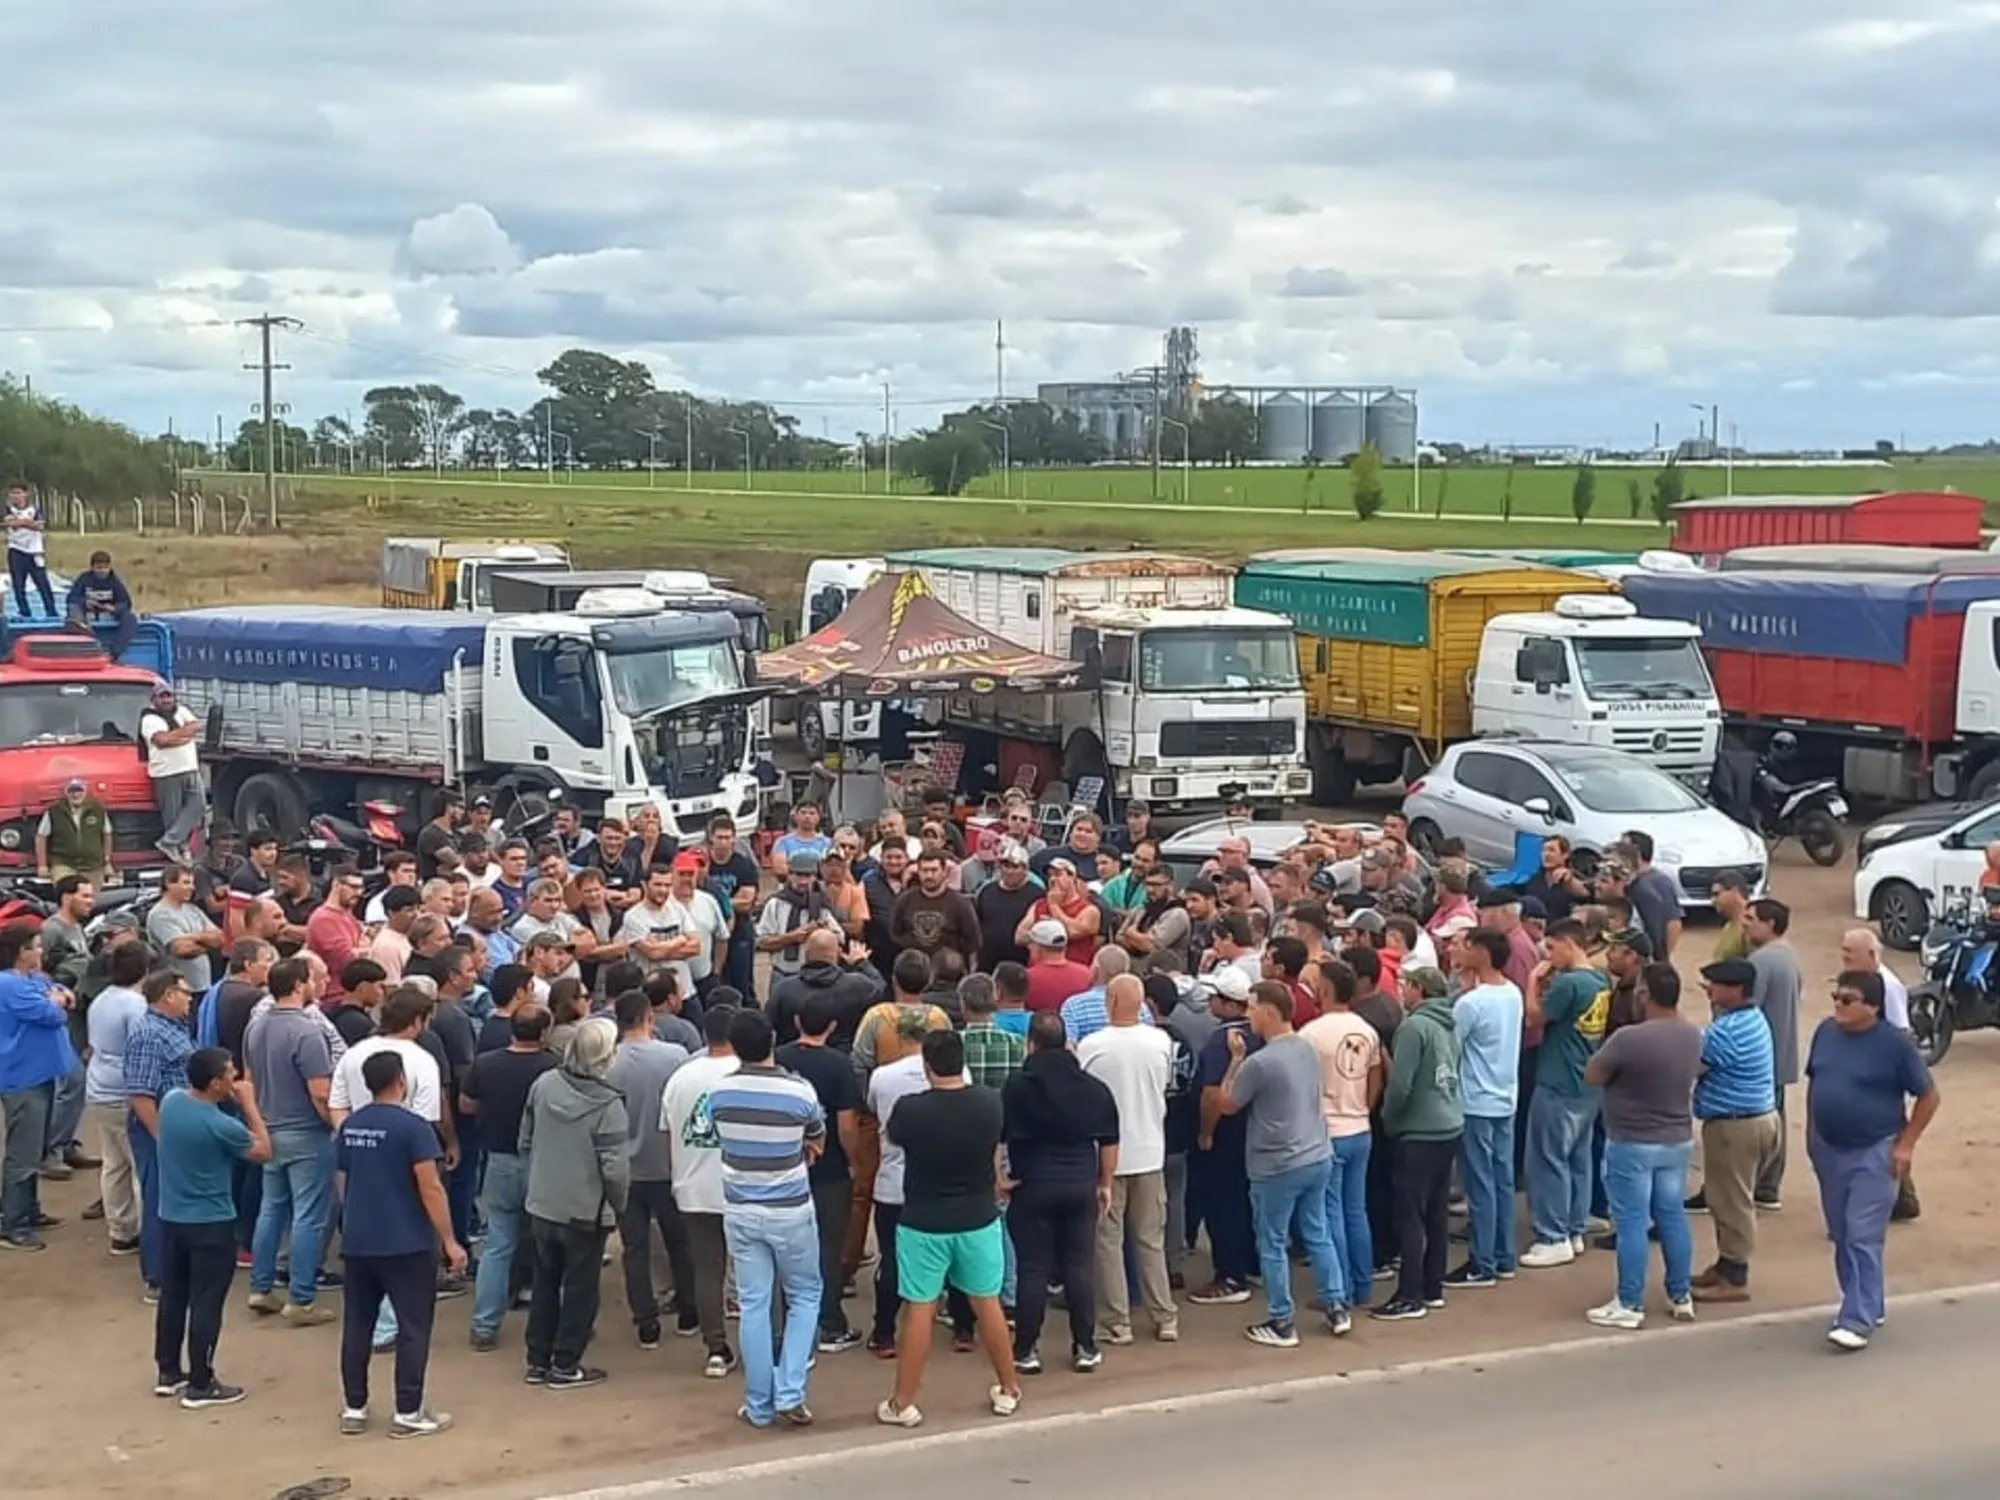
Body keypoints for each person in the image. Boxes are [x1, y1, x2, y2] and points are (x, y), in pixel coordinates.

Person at [877, 1029, 1023, 1428]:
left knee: (919, 1309)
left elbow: (893, 1137)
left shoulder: (910, 1109)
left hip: (923, 1221)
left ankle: (903, 1401)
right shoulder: (991, 1103)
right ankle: (1009, 1387)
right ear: (963, 1062)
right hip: (978, 1217)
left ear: (927, 1066)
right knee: (986, 1302)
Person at [1806, 969, 1941, 1349]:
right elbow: (1817, 1080)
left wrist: (1906, 1144)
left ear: (1873, 1007)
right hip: (1829, 1148)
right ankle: (1867, 1298)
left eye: (1847, 1000)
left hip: (1874, 1149)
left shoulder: (1895, 1045)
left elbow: (1929, 1096)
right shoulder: (1824, 1033)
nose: (1838, 1006)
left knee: (1862, 1233)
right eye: (1835, 997)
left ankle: (1856, 1317)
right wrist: (1812, 1136)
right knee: (1841, 1232)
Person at [336, 1048, 464, 1437]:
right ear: (401, 1081)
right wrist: (450, 1241)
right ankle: (408, 1411)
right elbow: (430, 1186)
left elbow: (341, 1179)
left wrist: (352, 1216)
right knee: (413, 1327)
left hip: (358, 1241)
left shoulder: (352, 1126)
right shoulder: (413, 1128)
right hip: (405, 1243)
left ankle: (354, 1407)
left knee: (357, 1325)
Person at [708, 1009, 827, 1428]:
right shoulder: (800, 1092)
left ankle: (759, 1404)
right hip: (790, 1210)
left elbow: (716, 1135)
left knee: (754, 1304)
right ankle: (790, 1390)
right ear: (773, 1039)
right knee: (805, 1296)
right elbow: (816, 1135)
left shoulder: (719, 1094)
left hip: (740, 1209)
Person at [1213, 980, 1348, 1343]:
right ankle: (1336, 1306)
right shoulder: (1305, 1047)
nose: (1248, 1014)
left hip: (1277, 1164)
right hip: (1317, 1153)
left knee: (1271, 1242)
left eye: (1252, 1007)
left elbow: (1227, 1103)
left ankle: (1281, 1320)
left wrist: (1235, 1061)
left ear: (1268, 1013)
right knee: (1318, 1232)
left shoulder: (1260, 1062)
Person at [1581, 962, 1700, 1330]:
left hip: (1632, 1141)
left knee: (1632, 1221)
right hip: (1676, 1139)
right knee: (1672, 1216)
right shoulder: (1692, 1034)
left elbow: (1593, 1074)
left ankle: (1629, 1301)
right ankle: (1680, 1294)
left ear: (1645, 994)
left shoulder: (1629, 1039)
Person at [151, 1045, 270, 1409]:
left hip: (171, 1216)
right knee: (206, 1301)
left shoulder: (172, 1102)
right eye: (230, 1072)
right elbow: (264, 1151)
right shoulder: (221, 1125)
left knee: (174, 1295)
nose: (236, 1077)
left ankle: (169, 1371)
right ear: (217, 1083)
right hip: (210, 1223)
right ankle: (201, 1382)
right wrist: (249, 1105)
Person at [1003, 1011, 1120, 1373]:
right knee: (1079, 1268)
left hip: (1032, 1183)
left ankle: (1026, 1349)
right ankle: (1085, 1346)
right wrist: (1104, 1183)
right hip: (1079, 1184)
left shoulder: (1017, 1086)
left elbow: (998, 1136)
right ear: (1066, 1042)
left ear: (1032, 1043)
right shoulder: (1092, 1087)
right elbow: (1110, 1141)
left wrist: (999, 1179)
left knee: (1033, 1269)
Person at [518, 1016, 629, 1388]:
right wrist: (617, 1205)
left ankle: (538, 1359)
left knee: (545, 1283)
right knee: (581, 1289)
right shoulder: (609, 1106)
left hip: (543, 1202)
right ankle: (566, 1364)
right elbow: (615, 1170)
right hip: (585, 1210)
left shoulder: (544, 1084)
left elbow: (526, 1139)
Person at [1077, 973, 1177, 1346]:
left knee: (1108, 1240)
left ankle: (1117, 1322)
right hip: (1151, 1150)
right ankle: (1164, 1315)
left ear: (1111, 1002)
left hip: (1107, 1155)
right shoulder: (1160, 1042)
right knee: (1150, 1239)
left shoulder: (1091, 1046)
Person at [242, 957, 338, 1325]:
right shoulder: (307, 1031)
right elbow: (319, 1091)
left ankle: (261, 1287)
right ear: (299, 985)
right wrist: (335, 1124)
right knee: (308, 1216)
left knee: (272, 1209)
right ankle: (302, 1298)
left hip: (270, 1129)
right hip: (306, 1133)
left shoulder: (257, 1027)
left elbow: (248, 1079)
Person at [1370, 966, 1465, 1323]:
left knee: (1409, 1215)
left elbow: (1401, 1086)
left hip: (1420, 1129)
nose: (1402, 991)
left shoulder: (1414, 1027)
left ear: (1419, 990)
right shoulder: (1448, 1022)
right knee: (1436, 1211)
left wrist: (1390, 1121)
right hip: (1449, 1122)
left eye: (1406, 985)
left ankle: (1410, 1294)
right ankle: (1432, 1285)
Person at [461, 1004, 558, 1351]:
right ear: (544, 1033)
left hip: (499, 1161)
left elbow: (466, 1105)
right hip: (543, 1162)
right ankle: (552, 1324)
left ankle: (484, 1325)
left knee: (498, 1245)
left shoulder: (485, 1063)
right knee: (550, 1245)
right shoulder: (553, 1067)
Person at [604, 988, 695, 1350]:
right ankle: (690, 1312)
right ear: (649, 1018)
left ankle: (646, 1321)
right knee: (680, 1242)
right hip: (668, 1163)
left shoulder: (608, 1063)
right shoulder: (676, 1056)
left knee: (634, 1248)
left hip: (624, 1168)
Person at [1688, 958, 1781, 1304]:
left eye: (1715, 985)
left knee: (1731, 1203)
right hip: (1755, 1119)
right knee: (1726, 1198)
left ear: (1736, 990)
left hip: (1736, 1126)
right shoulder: (1751, 1019)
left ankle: (1735, 1275)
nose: (1709, 990)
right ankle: (1726, 1264)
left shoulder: (1726, 1031)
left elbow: (1693, 1064)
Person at [777, 992, 865, 1354]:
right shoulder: (840, 1065)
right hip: (828, 1172)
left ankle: (790, 1319)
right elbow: (846, 1125)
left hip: (783, 1167)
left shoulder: (778, 1058)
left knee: (787, 1247)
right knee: (828, 1247)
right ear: (832, 1026)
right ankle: (829, 1323)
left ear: (798, 1022)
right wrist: (855, 1161)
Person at [1521, 920, 1609, 1268]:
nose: (1548, 955)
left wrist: (1532, 982)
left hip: (1559, 1080)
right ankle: (1573, 1227)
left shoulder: (1569, 984)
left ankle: (1553, 1234)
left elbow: (1534, 1018)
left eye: (1552, 948)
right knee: (1578, 1159)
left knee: (1547, 1158)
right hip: (1586, 1081)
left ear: (1568, 944)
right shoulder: (1599, 981)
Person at [661, 1006, 743, 1380]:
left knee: (707, 1270)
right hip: (743, 1186)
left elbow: (668, 1135)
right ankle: (761, 1344)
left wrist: (679, 1174)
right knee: (755, 1269)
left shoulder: (681, 1077)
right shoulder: (747, 1074)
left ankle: (716, 1348)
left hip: (693, 1188)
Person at [1299, 956, 1381, 1310]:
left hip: (1328, 1129)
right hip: (1359, 1125)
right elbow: (1376, 1075)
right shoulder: (1366, 1028)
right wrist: (1364, 1107)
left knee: (1329, 1213)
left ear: (1327, 989)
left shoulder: (1311, 1034)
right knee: (1355, 1210)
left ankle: (1340, 1289)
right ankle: (1361, 1285)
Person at [1448, 929, 1523, 1287]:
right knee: (1501, 1181)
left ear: (1481, 952)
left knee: (1480, 1185)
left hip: (1476, 1101)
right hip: (1505, 1097)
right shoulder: (1512, 993)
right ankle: (1503, 1255)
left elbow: (1452, 1047)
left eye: (1466, 946)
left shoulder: (1471, 1003)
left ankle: (1483, 1262)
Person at [0, 923, 78, 1251]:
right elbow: (51, 1013)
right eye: (36, 946)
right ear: (22, 952)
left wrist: (57, 996)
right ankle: (12, 1224)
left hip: (39, 1075)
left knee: (34, 1149)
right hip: (22, 1078)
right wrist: (56, 1001)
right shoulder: (7, 983)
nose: (41, 951)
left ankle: (28, 1212)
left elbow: (59, 993)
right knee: (23, 1153)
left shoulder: (32, 979)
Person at [126, 968, 200, 1295]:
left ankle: (175, 1270)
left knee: (174, 1199)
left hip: (177, 1127)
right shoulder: (148, 1033)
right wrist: (161, 1137)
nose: (190, 999)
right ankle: (159, 1278)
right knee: (160, 1201)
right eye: (185, 992)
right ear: (168, 996)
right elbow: (141, 1094)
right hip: (159, 1130)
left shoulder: (172, 1027)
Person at [84, 941, 152, 1257]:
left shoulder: (101, 1000)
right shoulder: (135, 1005)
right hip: (126, 1090)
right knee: (140, 1164)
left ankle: (121, 1231)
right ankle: (147, 1232)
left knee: (114, 1164)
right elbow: (141, 1049)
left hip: (99, 1087)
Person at [1745, 898, 1802, 1212]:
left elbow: (1747, 1005)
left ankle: (1764, 1184)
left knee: (1764, 1123)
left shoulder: (1762, 961)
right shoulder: (1789, 954)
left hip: (1762, 1056)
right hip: (1781, 1051)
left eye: (1752, 919)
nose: (1746, 925)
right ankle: (1768, 1186)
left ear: (1769, 924)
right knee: (1776, 1119)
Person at [137, 683, 206, 865]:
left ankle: (168, 842)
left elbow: (197, 725)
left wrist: (176, 736)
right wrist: (185, 736)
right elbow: (162, 740)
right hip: (167, 773)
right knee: (173, 815)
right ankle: (180, 852)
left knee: (198, 805)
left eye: (169, 696)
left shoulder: (181, 710)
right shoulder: (149, 719)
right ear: (154, 700)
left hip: (190, 767)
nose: (166, 700)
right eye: (162, 697)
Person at [36, 778, 113, 885]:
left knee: (90, 898)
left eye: (79, 791)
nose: (76, 795)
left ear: (85, 792)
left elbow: (107, 834)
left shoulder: (97, 809)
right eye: (72, 791)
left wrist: (107, 863)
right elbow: (41, 837)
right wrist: (42, 865)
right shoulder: (54, 811)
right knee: (65, 894)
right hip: (63, 863)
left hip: (93, 865)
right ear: (66, 794)